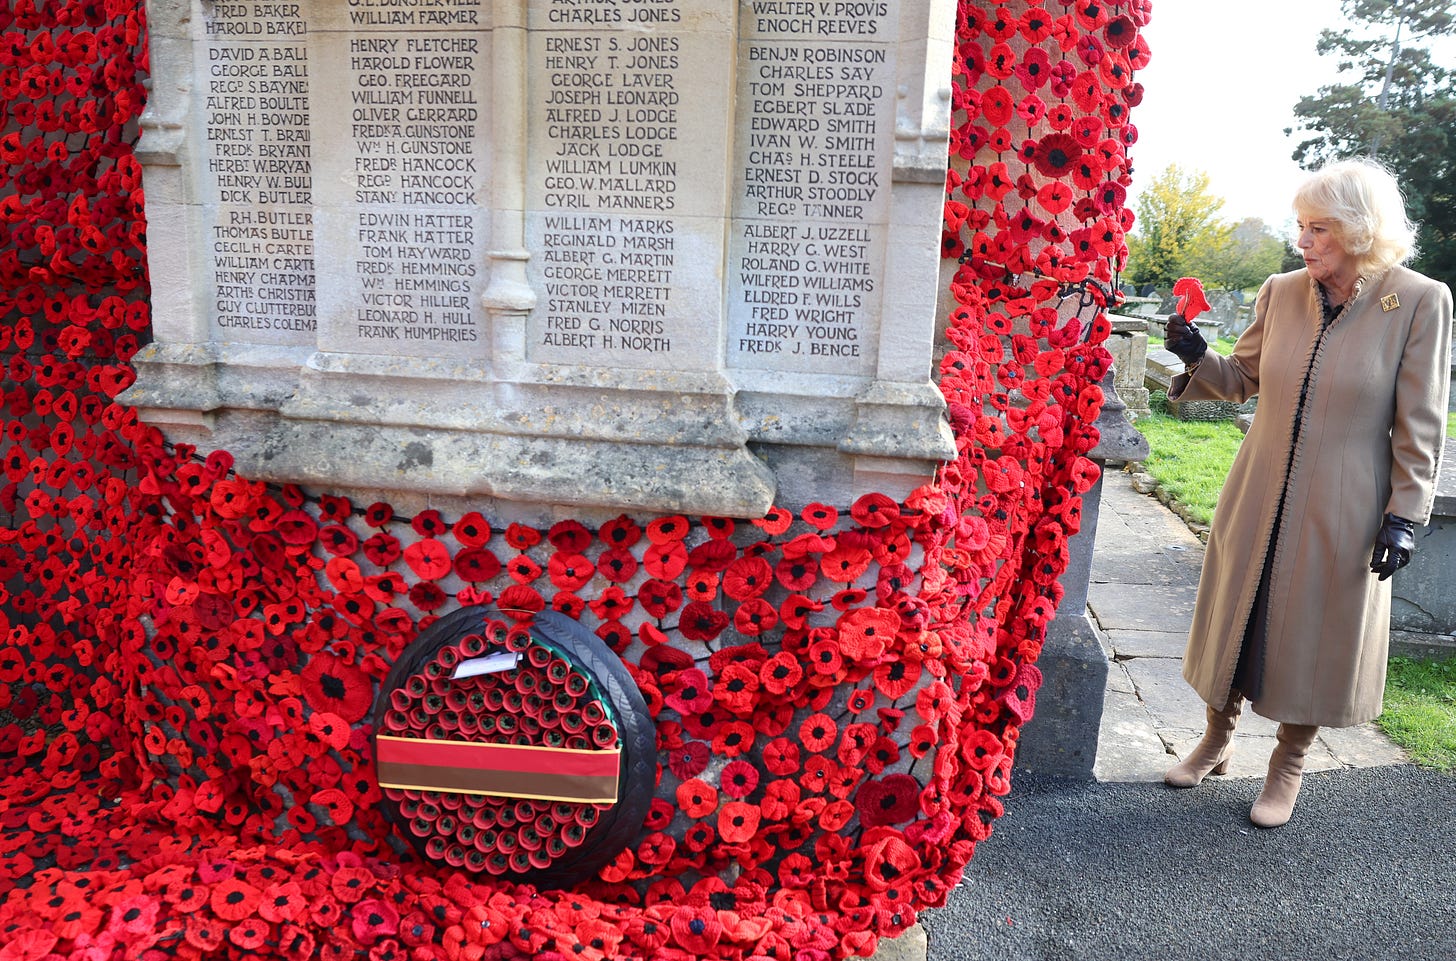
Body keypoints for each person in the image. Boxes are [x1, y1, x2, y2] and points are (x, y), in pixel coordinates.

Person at [1159, 159, 1453, 828]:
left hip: (1346, 499)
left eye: (1318, 227)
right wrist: (1192, 354)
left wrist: (1403, 516)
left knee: (1318, 630)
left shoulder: (1418, 300)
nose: (1303, 240)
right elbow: (1238, 379)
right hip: (1257, 483)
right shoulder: (1282, 290)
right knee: (1237, 612)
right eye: (1301, 226)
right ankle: (1216, 738)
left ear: (1359, 231)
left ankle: (1288, 762)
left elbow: (1421, 423)